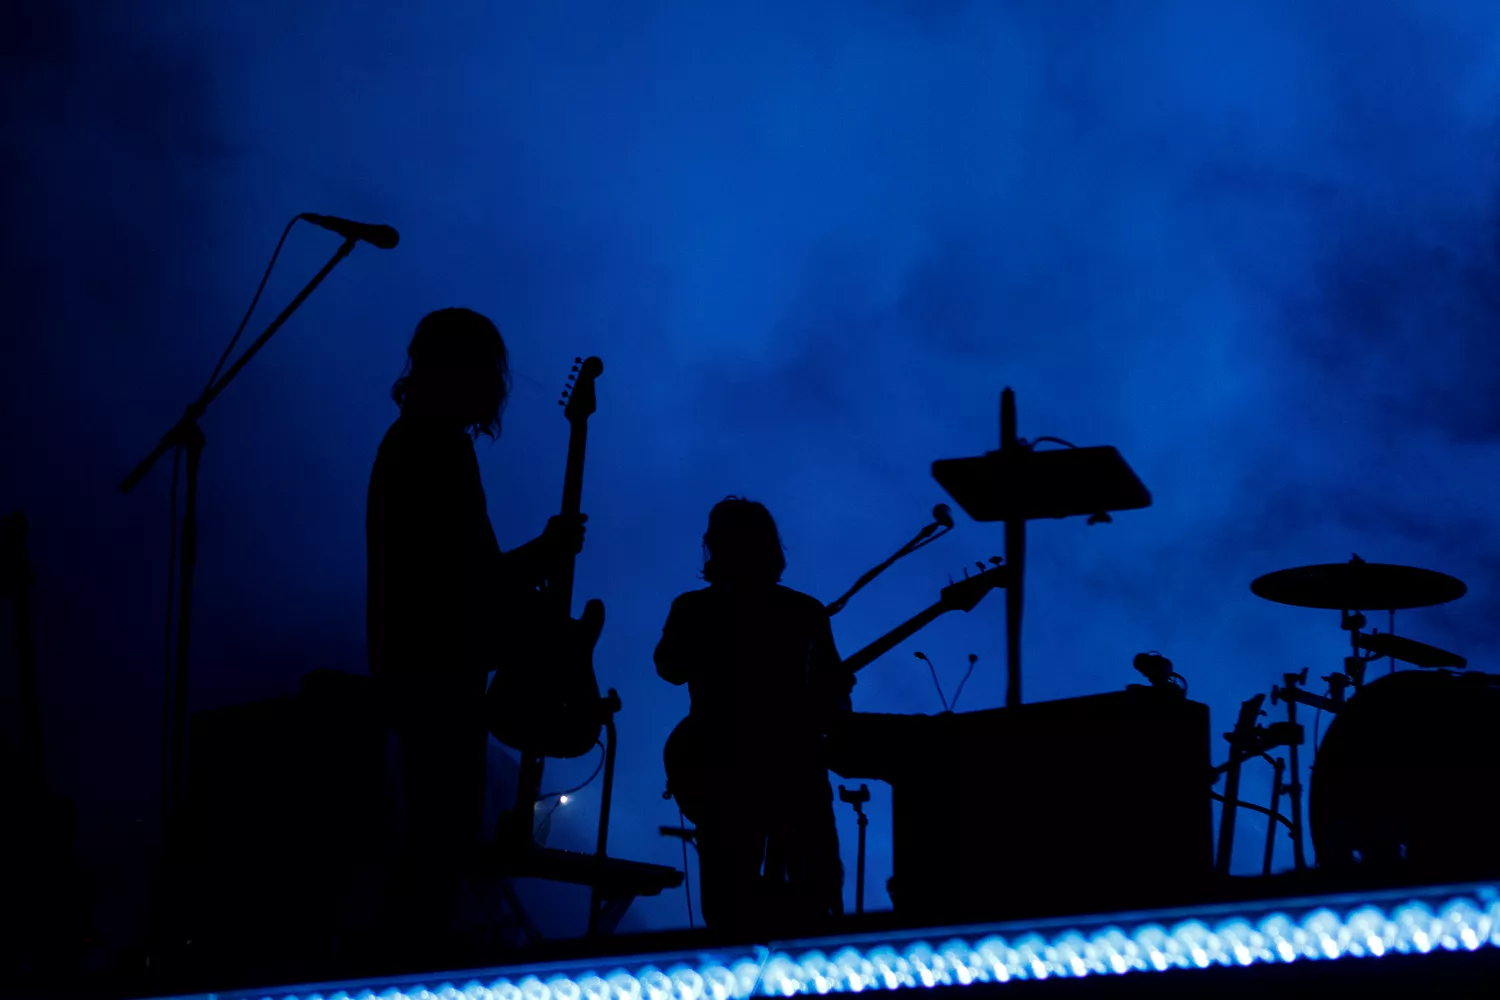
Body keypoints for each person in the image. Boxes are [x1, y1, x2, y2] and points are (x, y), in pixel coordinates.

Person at [366, 307, 585, 948]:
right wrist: (542, 555)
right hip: (434, 664)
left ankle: (406, 960)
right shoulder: (433, 448)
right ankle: (405, 965)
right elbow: (461, 578)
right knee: (440, 839)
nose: (496, 385)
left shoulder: (415, 442)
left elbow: (459, 574)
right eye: (488, 370)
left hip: (421, 659)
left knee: (436, 837)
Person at [655, 497, 852, 935]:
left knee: (733, 904)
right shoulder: (802, 610)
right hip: (788, 772)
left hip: (729, 771)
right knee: (804, 904)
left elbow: (668, 667)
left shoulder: (695, 607)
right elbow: (835, 697)